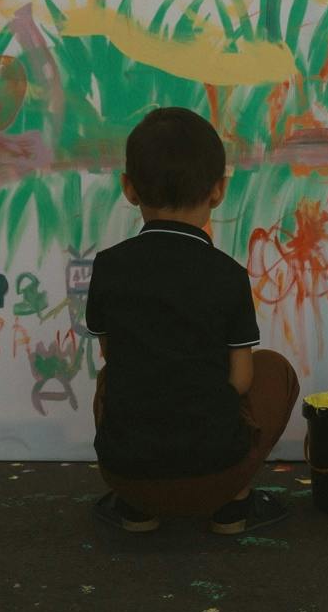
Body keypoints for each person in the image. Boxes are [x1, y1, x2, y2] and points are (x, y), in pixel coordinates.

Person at [87, 106, 299, 534]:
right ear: (218, 191)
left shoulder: (109, 266)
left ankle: (136, 511)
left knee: (113, 379)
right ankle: (233, 508)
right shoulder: (228, 276)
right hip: (213, 474)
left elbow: (113, 353)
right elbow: (240, 380)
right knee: (274, 370)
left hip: (128, 472)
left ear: (128, 189)